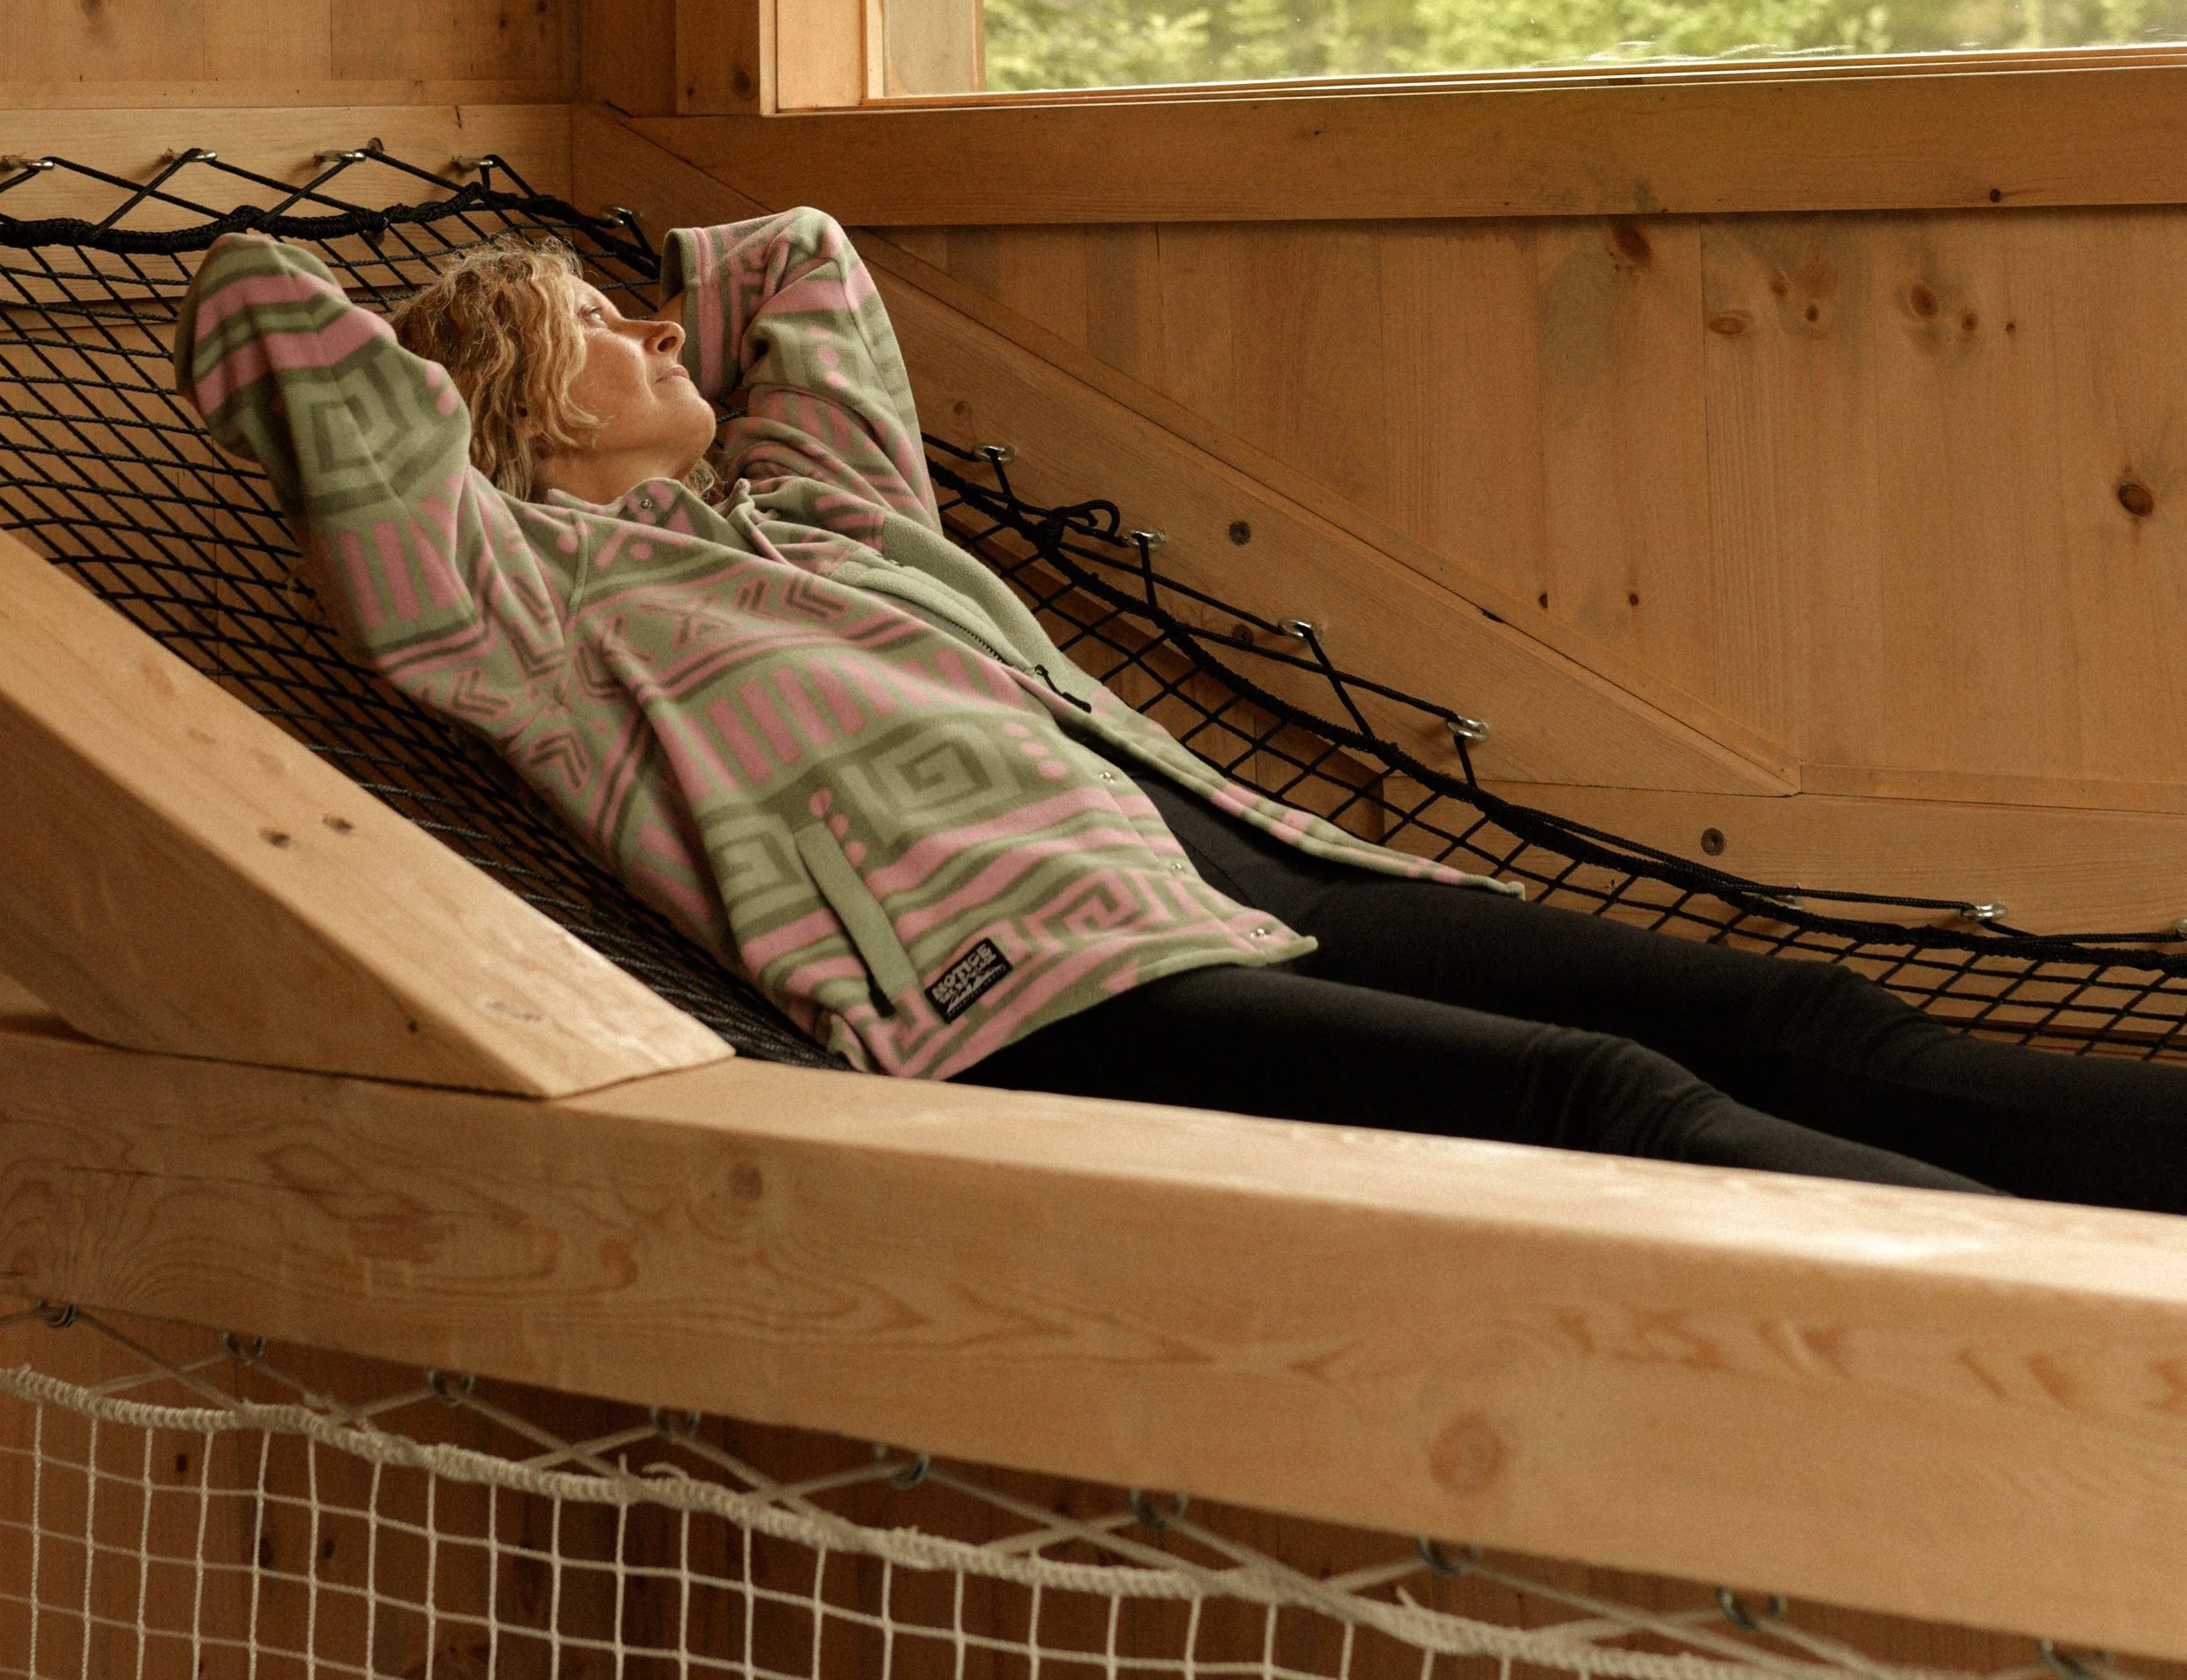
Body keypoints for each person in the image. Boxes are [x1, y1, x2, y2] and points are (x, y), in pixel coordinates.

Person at [178, 206, 2187, 1208]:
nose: (637, 328)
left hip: (1238, 862)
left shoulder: (815, 517)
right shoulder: (532, 605)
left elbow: (802, 263)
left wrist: (655, 291)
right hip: (1041, 988)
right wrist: (461, 359)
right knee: (1608, 1108)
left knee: (1796, 1014)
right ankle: (2127, 1341)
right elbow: (273, 327)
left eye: (632, 310)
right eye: (586, 339)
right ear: (509, 422)